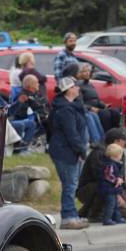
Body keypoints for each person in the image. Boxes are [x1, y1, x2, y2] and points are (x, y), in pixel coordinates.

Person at [48, 77, 89, 230]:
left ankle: (73, 214)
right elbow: (71, 133)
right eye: (75, 86)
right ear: (69, 90)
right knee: (70, 185)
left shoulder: (72, 105)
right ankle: (67, 218)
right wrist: (81, 150)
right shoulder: (64, 109)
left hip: (70, 149)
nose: (78, 88)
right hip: (64, 151)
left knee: (72, 184)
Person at [78, 129, 126, 221]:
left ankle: (85, 212)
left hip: (112, 187)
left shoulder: (119, 153)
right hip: (91, 189)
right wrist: (117, 194)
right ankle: (94, 215)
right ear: (116, 141)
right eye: (124, 140)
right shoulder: (99, 153)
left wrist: (123, 190)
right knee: (102, 187)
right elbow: (102, 178)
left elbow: (120, 175)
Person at [8, 74, 47, 151]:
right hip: (24, 120)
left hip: (35, 120)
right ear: (31, 85)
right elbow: (21, 113)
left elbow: (41, 105)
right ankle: (24, 147)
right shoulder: (23, 96)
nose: (38, 84)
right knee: (44, 123)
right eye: (37, 83)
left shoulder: (35, 95)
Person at [100, 143, 126, 225]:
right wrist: (117, 180)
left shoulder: (114, 164)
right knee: (111, 204)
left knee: (116, 204)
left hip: (113, 189)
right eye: (119, 156)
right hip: (109, 189)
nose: (120, 157)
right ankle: (107, 219)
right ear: (114, 156)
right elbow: (108, 176)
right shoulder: (109, 165)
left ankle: (117, 217)